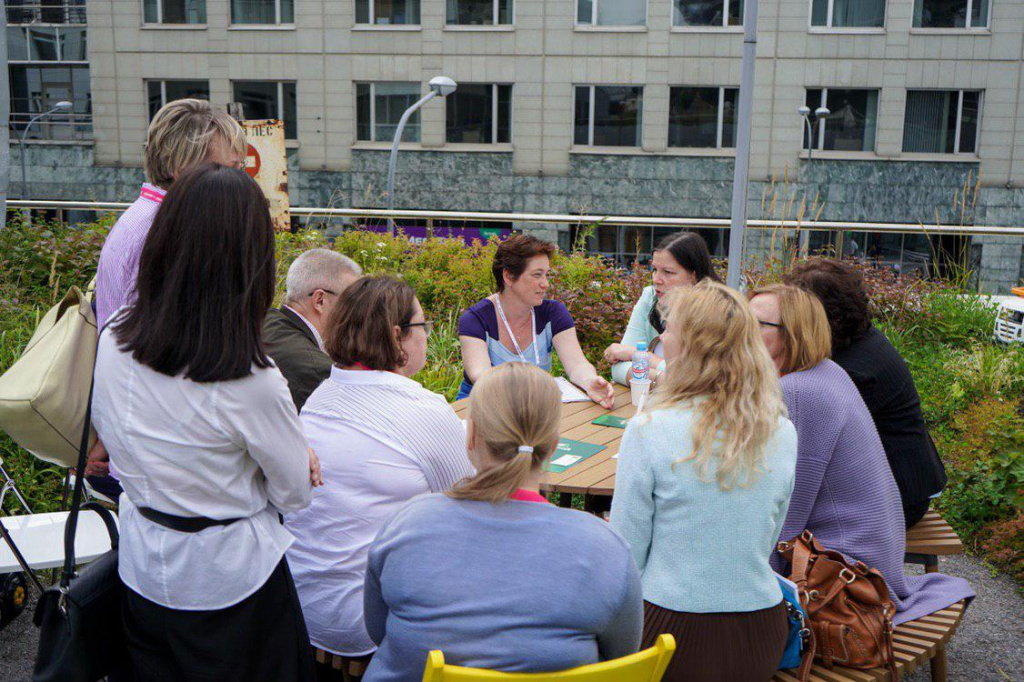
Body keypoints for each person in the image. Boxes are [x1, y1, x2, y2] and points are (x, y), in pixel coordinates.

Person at [91, 163, 321, 682]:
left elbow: (115, 430)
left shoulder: (115, 338)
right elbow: (295, 495)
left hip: (143, 564)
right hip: (232, 584)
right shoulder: (249, 377)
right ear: (250, 260)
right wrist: (293, 457)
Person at [363, 362, 642, 681]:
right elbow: (621, 657)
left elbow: (377, 629)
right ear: (552, 447)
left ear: (470, 438)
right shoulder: (606, 550)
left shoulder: (406, 525)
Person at [748, 285, 974, 626]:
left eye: (757, 324)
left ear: (793, 333)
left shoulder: (797, 390)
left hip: (846, 569)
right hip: (877, 546)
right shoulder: (825, 370)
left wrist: (748, 574)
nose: (742, 332)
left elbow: (787, 507)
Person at [285, 276, 475, 681]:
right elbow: (471, 505)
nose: (427, 336)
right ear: (397, 336)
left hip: (299, 605)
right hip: (365, 621)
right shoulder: (424, 410)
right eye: (423, 326)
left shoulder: (322, 396)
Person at [610, 282, 797, 682]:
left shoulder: (649, 430)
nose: (662, 338)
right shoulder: (782, 431)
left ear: (692, 345)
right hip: (761, 626)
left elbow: (627, 557)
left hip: (672, 626)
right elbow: (766, 535)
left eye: (670, 329)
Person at [86, 99, 247, 497]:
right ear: (181, 165)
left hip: (131, 436)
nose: (238, 183)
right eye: (226, 170)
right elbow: (157, 348)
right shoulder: (167, 232)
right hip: (155, 459)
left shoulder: (142, 214)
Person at [784, 259, 947, 528]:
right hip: (902, 480)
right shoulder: (855, 341)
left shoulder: (854, 370)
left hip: (900, 495)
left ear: (828, 316)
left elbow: (814, 445)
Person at [457, 234, 614, 407]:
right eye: (537, 275)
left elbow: (576, 364)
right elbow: (482, 377)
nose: (545, 284)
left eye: (546, 275)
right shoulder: (475, 319)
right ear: (508, 277)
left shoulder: (553, 312)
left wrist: (589, 381)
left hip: (531, 409)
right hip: (481, 407)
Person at [603, 232, 721, 385]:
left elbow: (702, 382)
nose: (656, 280)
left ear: (694, 275)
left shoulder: (718, 312)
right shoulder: (650, 297)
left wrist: (640, 356)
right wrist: (666, 380)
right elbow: (618, 368)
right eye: (654, 270)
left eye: (668, 272)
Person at [264, 249, 363, 411]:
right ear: (320, 300)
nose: (358, 313)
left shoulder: (262, 321)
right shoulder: (318, 372)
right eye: (353, 303)